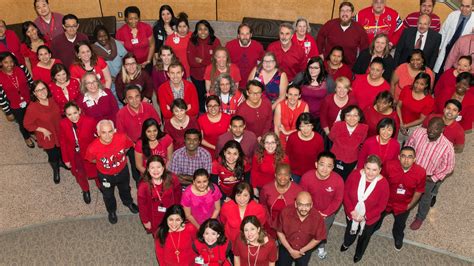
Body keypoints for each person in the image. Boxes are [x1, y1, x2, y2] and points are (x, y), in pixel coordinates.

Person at [85, 119, 139, 224]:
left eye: (110, 131)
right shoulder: (92, 148)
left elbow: (128, 148)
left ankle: (128, 202)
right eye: (103, 132)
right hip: (106, 175)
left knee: (125, 188)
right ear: (98, 133)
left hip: (122, 171)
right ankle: (112, 211)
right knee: (108, 195)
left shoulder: (122, 138)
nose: (107, 135)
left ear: (114, 130)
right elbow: (92, 159)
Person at [406, 117, 455, 230]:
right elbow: (409, 146)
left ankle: (420, 217)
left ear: (442, 130)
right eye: (430, 127)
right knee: (407, 191)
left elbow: (449, 167)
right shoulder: (418, 133)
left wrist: (433, 178)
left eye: (436, 129)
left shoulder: (447, 147)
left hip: (428, 178)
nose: (431, 131)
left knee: (425, 198)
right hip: (412, 171)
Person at [340, 155, 389, 263]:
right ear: (364, 166)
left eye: (374, 170)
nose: (370, 173)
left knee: (364, 237)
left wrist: (365, 216)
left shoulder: (383, 184)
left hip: (369, 219)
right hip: (352, 213)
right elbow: (346, 193)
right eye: (368, 168)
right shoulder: (355, 174)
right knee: (350, 230)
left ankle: (358, 253)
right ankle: (347, 243)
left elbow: (382, 205)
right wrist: (351, 210)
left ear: (380, 170)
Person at [378, 146, 426, 250]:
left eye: (410, 157)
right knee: (377, 218)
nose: (406, 160)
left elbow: (418, 192)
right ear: (399, 157)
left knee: (400, 224)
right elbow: (381, 181)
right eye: (403, 156)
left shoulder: (421, 172)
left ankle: (398, 236)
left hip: (403, 204)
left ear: (415, 159)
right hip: (387, 201)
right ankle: (375, 227)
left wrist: (410, 205)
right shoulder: (389, 165)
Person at [300, 151, 344, 259]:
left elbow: (338, 199)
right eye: (322, 164)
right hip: (308, 211)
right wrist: (312, 212)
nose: (324, 169)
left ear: (333, 167)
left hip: (327, 214)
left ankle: (321, 246)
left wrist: (325, 213)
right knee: (306, 230)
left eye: (329, 166)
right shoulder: (306, 177)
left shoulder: (338, 180)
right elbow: (302, 196)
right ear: (316, 164)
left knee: (323, 232)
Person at [116, 85, 161, 182]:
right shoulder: (121, 114)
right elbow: (122, 135)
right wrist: (134, 145)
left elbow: (157, 124)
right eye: (130, 98)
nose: (135, 100)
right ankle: (140, 182)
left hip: (151, 141)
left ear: (141, 96)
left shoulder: (148, 107)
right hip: (134, 145)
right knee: (136, 166)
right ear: (125, 100)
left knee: (154, 163)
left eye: (137, 96)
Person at [59, 102, 99, 204]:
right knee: (80, 173)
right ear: (65, 114)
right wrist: (66, 159)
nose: (73, 117)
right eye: (69, 114)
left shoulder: (90, 121)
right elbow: (63, 142)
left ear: (79, 111)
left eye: (75, 113)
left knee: (95, 171)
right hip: (74, 154)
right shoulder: (63, 124)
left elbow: (98, 138)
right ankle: (85, 189)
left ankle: (100, 185)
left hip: (89, 153)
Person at [24, 81, 62, 183]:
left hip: (59, 132)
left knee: (61, 150)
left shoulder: (52, 99)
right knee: (53, 155)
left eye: (43, 88)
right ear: (34, 93)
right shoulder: (32, 108)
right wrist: (42, 129)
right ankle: (55, 169)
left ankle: (61, 161)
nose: (42, 92)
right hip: (47, 136)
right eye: (38, 90)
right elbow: (27, 124)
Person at [277, 191, 326, 265]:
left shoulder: (318, 218)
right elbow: (279, 232)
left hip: (305, 249)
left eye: (307, 205)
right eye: (300, 205)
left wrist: (301, 251)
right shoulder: (285, 212)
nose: (304, 209)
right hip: (286, 246)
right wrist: (290, 250)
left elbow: (317, 239)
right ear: (296, 204)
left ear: (311, 205)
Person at [137, 155, 182, 234]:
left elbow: (178, 194)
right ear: (147, 169)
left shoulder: (172, 178)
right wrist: (145, 221)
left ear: (163, 168)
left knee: (171, 232)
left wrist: (178, 211)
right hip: (154, 216)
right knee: (158, 234)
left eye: (158, 167)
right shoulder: (143, 186)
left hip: (171, 212)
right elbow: (142, 205)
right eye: (152, 168)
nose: (156, 171)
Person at [316, 1, 369, 67]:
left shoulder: (359, 28)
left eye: (347, 11)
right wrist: (320, 54)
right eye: (342, 11)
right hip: (328, 64)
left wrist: (359, 64)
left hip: (349, 66)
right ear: (339, 12)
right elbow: (320, 38)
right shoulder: (330, 24)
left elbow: (365, 48)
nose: (345, 13)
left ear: (352, 13)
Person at [0, 52, 34, 148]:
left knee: (32, 119)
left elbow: (31, 82)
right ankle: (26, 137)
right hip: (14, 105)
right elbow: (1, 97)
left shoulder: (22, 68)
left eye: (11, 61)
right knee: (22, 122)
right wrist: (7, 112)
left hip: (29, 100)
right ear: (1, 63)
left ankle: (32, 132)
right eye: (6, 62)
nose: (9, 65)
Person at [260, 163, 303, 238]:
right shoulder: (266, 189)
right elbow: (263, 205)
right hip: (270, 224)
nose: (283, 178)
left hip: (290, 227)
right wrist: (269, 221)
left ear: (290, 176)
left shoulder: (298, 190)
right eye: (280, 174)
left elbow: (301, 209)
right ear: (275, 175)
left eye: (286, 175)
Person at [187, 20, 221, 112]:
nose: (202, 32)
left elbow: (218, 60)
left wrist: (201, 61)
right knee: (200, 98)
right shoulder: (192, 41)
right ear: (196, 31)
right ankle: (202, 115)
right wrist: (209, 61)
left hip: (212, 76)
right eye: (200, 29)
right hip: (197, 76)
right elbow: (191, 62)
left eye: (205, 29)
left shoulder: (215, 41)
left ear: (209, 30)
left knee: (212, 97)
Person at [433, 0, 474, 75]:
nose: (464, 9)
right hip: (447, 48)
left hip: (461, 53)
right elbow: (443, 31)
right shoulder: (453, 15)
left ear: (472, 7)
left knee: (454, 74)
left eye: (467, 6)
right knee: (440, 71)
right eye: (462, 5)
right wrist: (439, 47)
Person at [329, 105, 368, 181]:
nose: (352, 118)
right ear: (344, 117)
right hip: (336, 158)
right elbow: (331, 137)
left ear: (359, 117)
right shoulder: (337, 126)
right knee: (333, 179)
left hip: (352, 160)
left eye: (355, 115)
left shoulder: (364, 128)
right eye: (348, 115)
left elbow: (362, 142)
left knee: (347, 180)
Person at [396, 72, 434, 144]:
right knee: (397, 143)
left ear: (426, 85)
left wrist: (405, 126)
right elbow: (398, 106)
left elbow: (421, 119)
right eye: (417, 82)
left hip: (414, 126)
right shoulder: (406, 89)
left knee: (409, 145)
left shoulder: (429, 100)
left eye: (421, 84)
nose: (417, 86)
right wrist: (401, 123)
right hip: (399, 120)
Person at [286, 113, 324, 182]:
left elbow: (320, 159)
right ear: (299, 127)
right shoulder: (292, 137)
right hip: (294, 173)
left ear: (313, 126)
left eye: (308, 125)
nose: (306, 129)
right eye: (302, 126)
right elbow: (287, 156)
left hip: (312, 174)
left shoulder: (319, 138)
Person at [225, 23, 264, 89]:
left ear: (251, 35)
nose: (245, 37)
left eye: (247, 34)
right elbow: (226, 65)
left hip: (251, 83)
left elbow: (261, 65)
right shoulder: (229, 46)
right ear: (238, 35)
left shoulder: (258, 46)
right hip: (233, 83)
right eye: (242, 34)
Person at [251, 132, 289, 197]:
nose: (270, 145)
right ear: (263, 144)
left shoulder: (284, 158)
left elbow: (287, 175)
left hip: (278, 188)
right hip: (261, 187)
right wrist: (254, 187)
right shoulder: (257, 156)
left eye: (272, 142)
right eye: (267, 142)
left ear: (277, 143)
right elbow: (254, 172)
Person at [165, 12, 192, 78]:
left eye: (184, 26)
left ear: (188, 27)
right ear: (176, 27)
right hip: (175, 72)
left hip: (191, 71)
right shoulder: (170, 38)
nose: (182, 29)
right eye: (180, 26)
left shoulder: (192, 36)